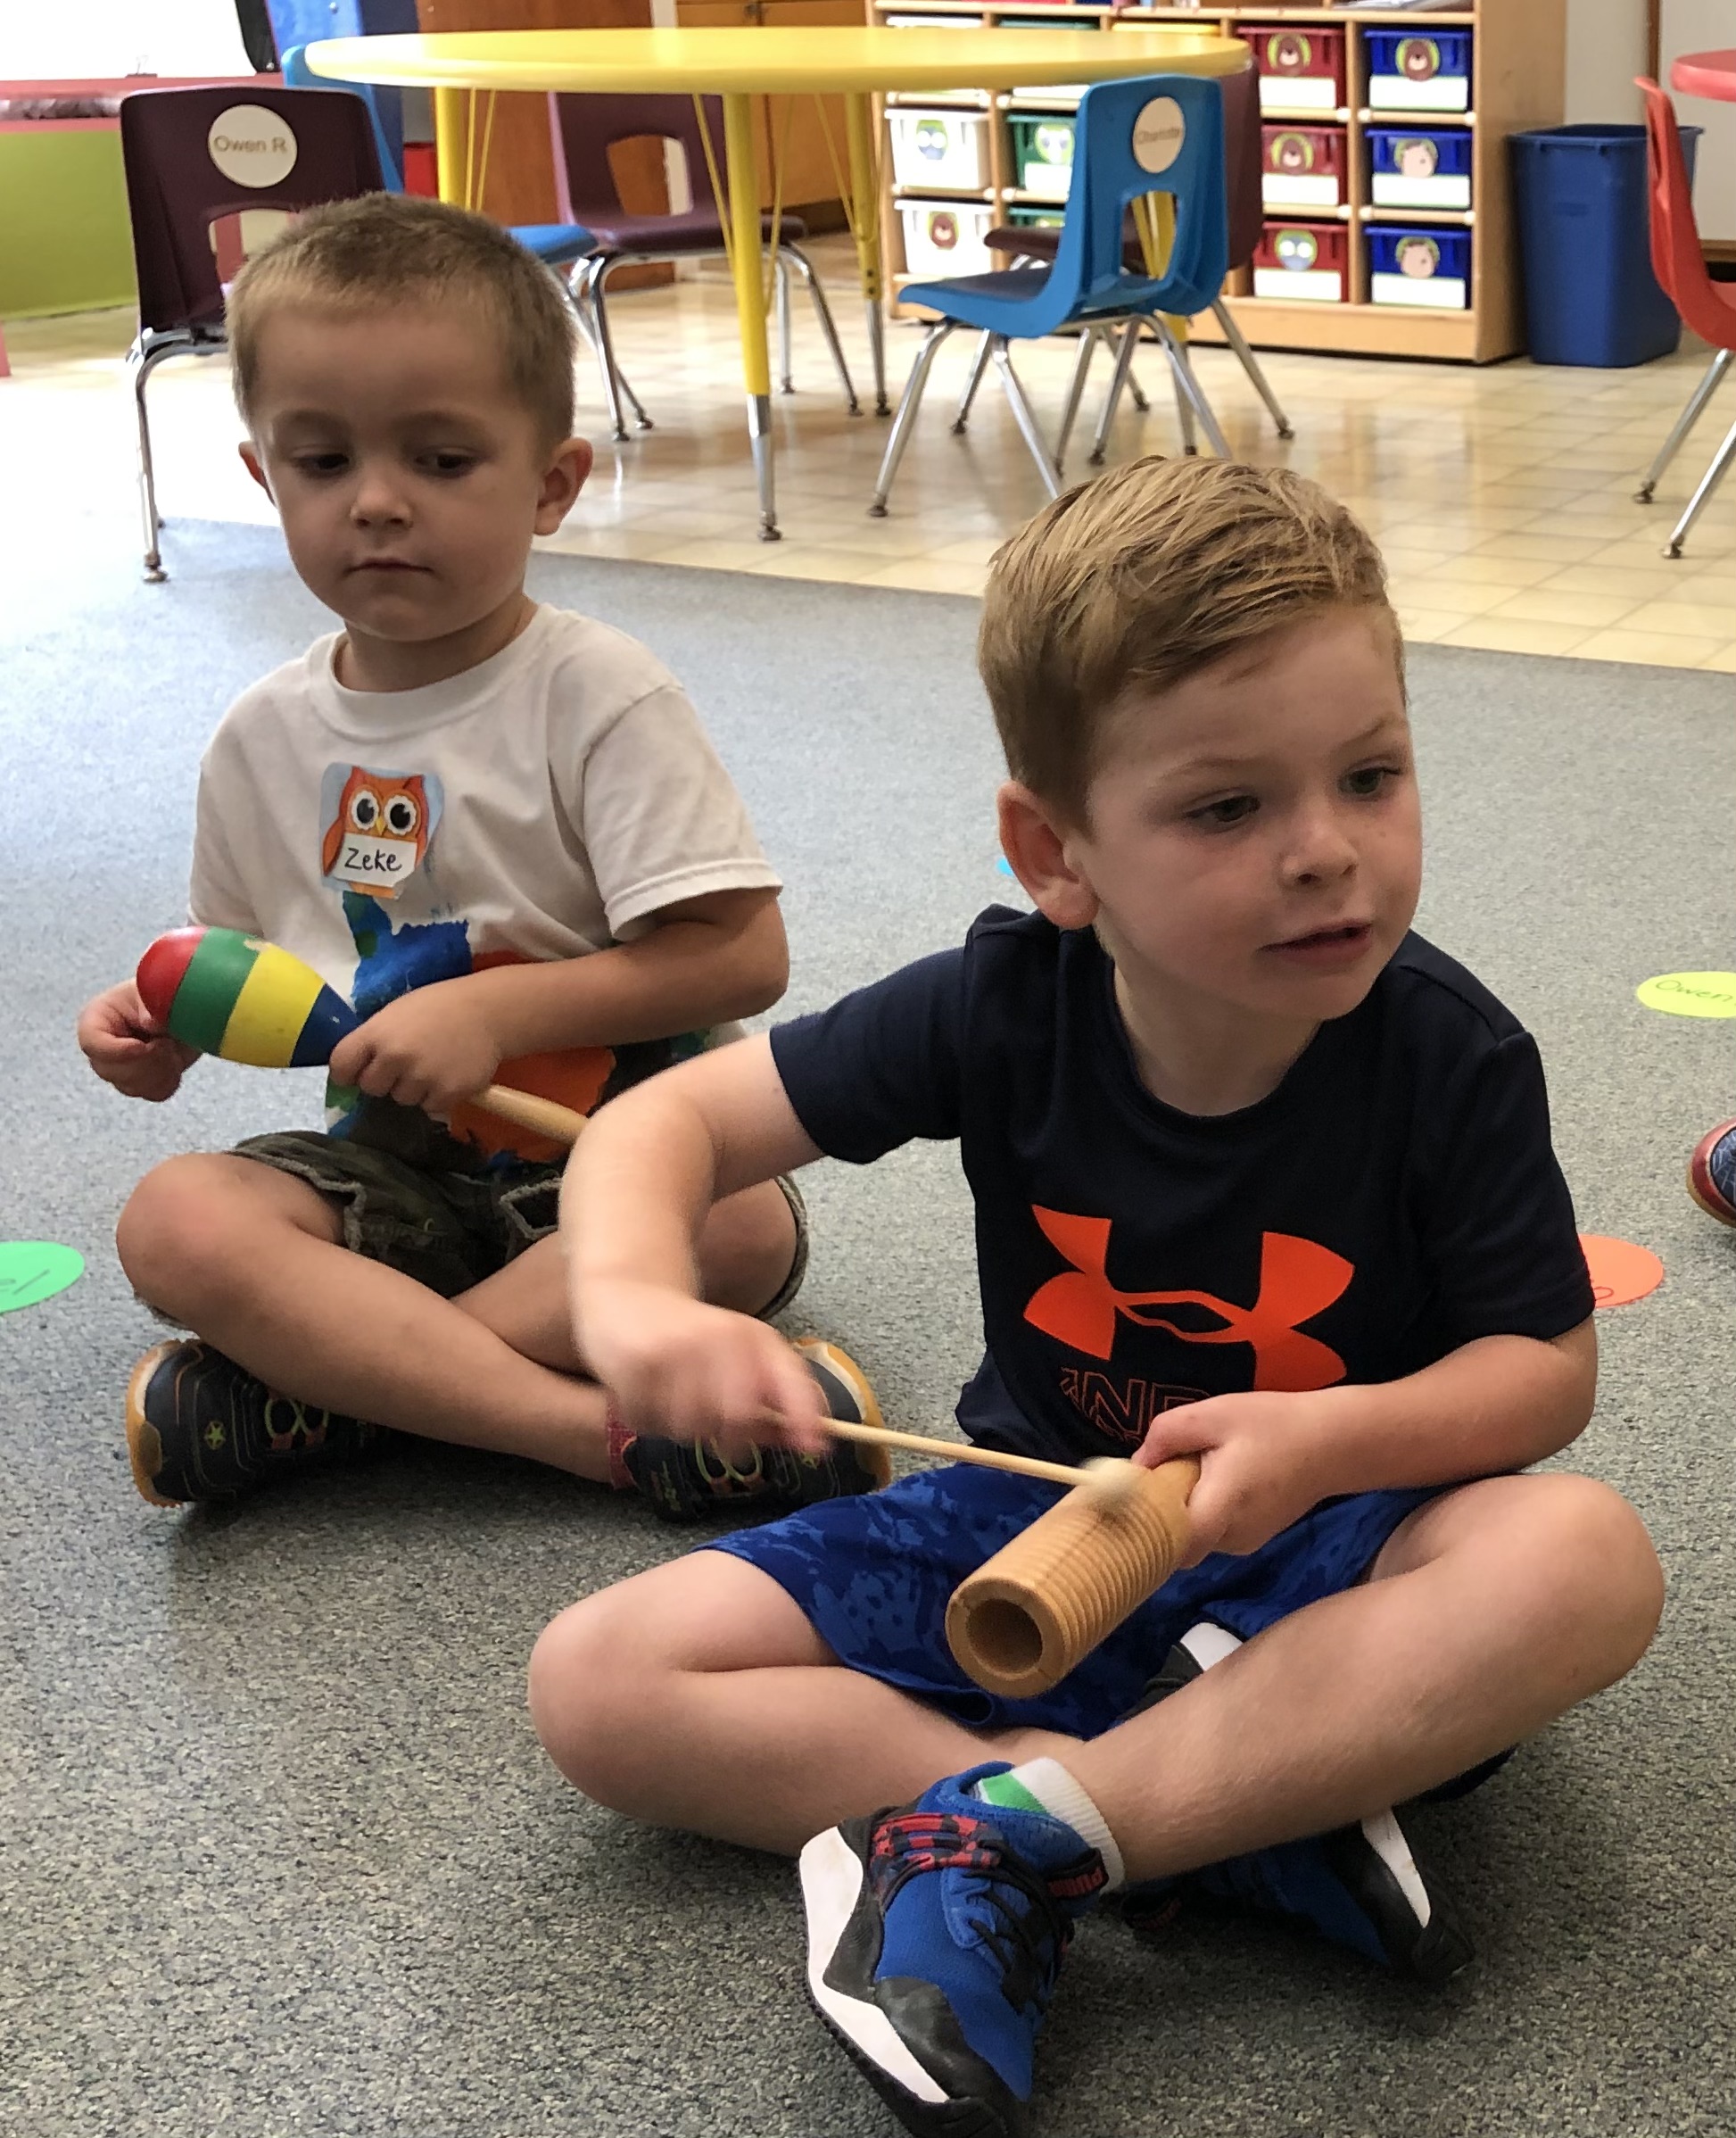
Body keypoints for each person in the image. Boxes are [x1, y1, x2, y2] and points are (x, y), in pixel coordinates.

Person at [528, 460, 1664, 2138]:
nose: (1324, 854)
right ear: (1056, 854)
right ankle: (1204, 1818)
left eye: (1370, 775)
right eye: (1227, 808)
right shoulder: (1000, 1004)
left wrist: (1340, 1434)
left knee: (1581, 1560)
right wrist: (632, 1306)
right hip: (1032, 1524)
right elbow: (665, 1121)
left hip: (1332, 1550)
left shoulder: (1448, 1055)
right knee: (602, 1682)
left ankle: (1014, 1842)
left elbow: (1540, 1371)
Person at [76, 193, 883, 1520]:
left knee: (741, 1221)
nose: (379, 503)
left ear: (551, 483)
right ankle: (593, 1434)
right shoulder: (260, 738)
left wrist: (496, 1008)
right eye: (323, 463)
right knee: (175, 1220)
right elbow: (261, 971)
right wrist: (161, 1021)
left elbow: (742, 955)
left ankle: (335, 1394)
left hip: (612, 1159)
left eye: (443, 463)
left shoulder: (598, 696)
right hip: (391, 1174)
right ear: (262, 478)